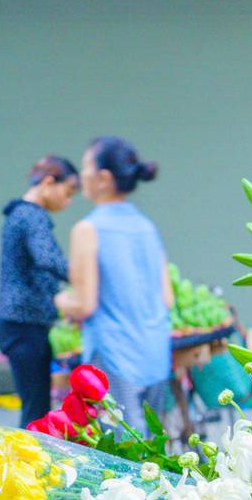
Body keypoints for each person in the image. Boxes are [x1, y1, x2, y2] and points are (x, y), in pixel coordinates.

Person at [56, 136, 173, 431]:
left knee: (124, 460)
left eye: (85, 168)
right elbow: (167, 299)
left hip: (115, 357)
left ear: (104, 178)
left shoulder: (88, 229)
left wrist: (58, 301)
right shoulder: (147, 227)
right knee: (155, 452)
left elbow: (84, 304)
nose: (81, 176)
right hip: (156, 354)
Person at [0, 155, 77, 428]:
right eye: (67, 193)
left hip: (19, 326)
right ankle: (28, 467)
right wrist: (86, 279)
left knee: (36, 406)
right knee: (36, 412)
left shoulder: (19, 213)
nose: (67, 202)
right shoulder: (32, 216)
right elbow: (47, 258)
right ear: (48, 183)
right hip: (24, 327)